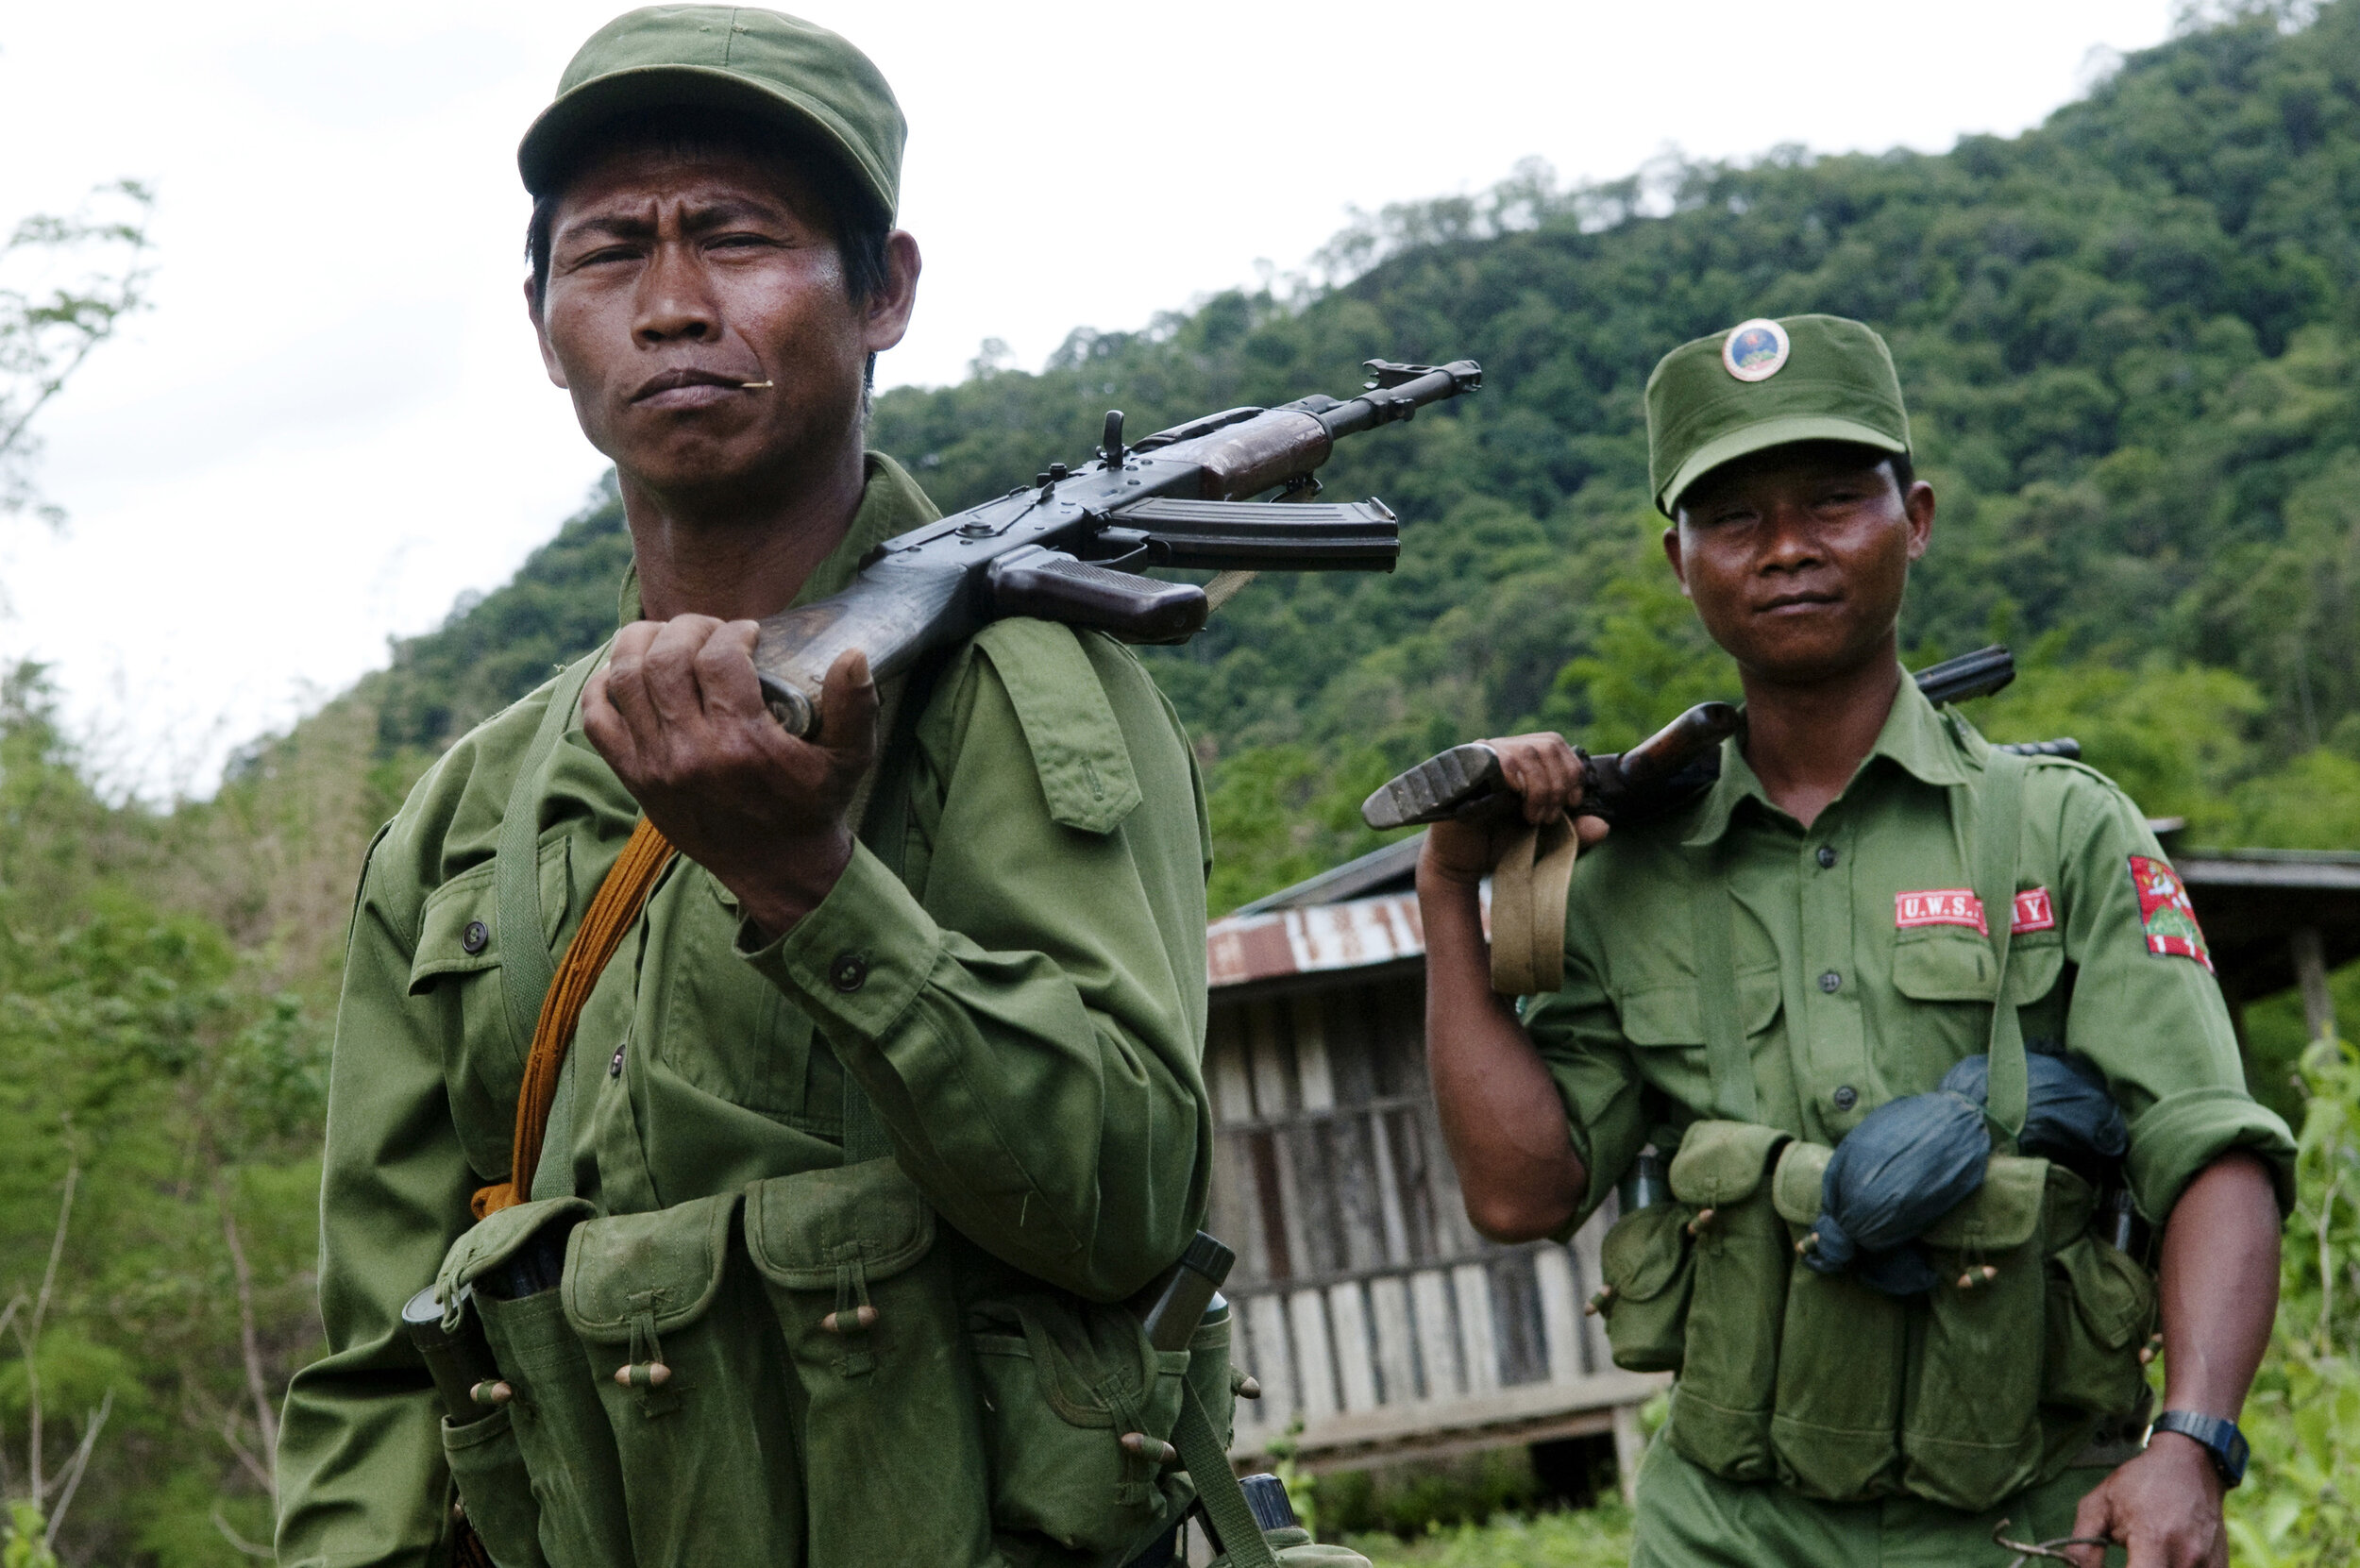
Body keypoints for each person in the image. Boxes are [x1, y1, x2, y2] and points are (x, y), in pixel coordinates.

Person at [274, 10, 1222, 1566]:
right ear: (540, 320)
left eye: (735, 235)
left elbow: (1120, 1199)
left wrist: (812, 884)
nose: (669, 305)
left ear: (883, 292)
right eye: (607, 254)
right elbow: (384, 1364)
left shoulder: (1020, 692)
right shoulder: (464, 821)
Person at [1415, 313, 2295, 1568]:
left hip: (2032, 1520)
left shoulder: (2060, 834)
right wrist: (1452, 888)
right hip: (1726, 1528)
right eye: (1735, 520)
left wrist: (2192, 1442)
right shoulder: (1624, 875)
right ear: (1679, 559)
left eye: (1834, 501)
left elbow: (2213, 1150)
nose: (1787, 548)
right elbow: (1521, 1191)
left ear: (1916, 517)